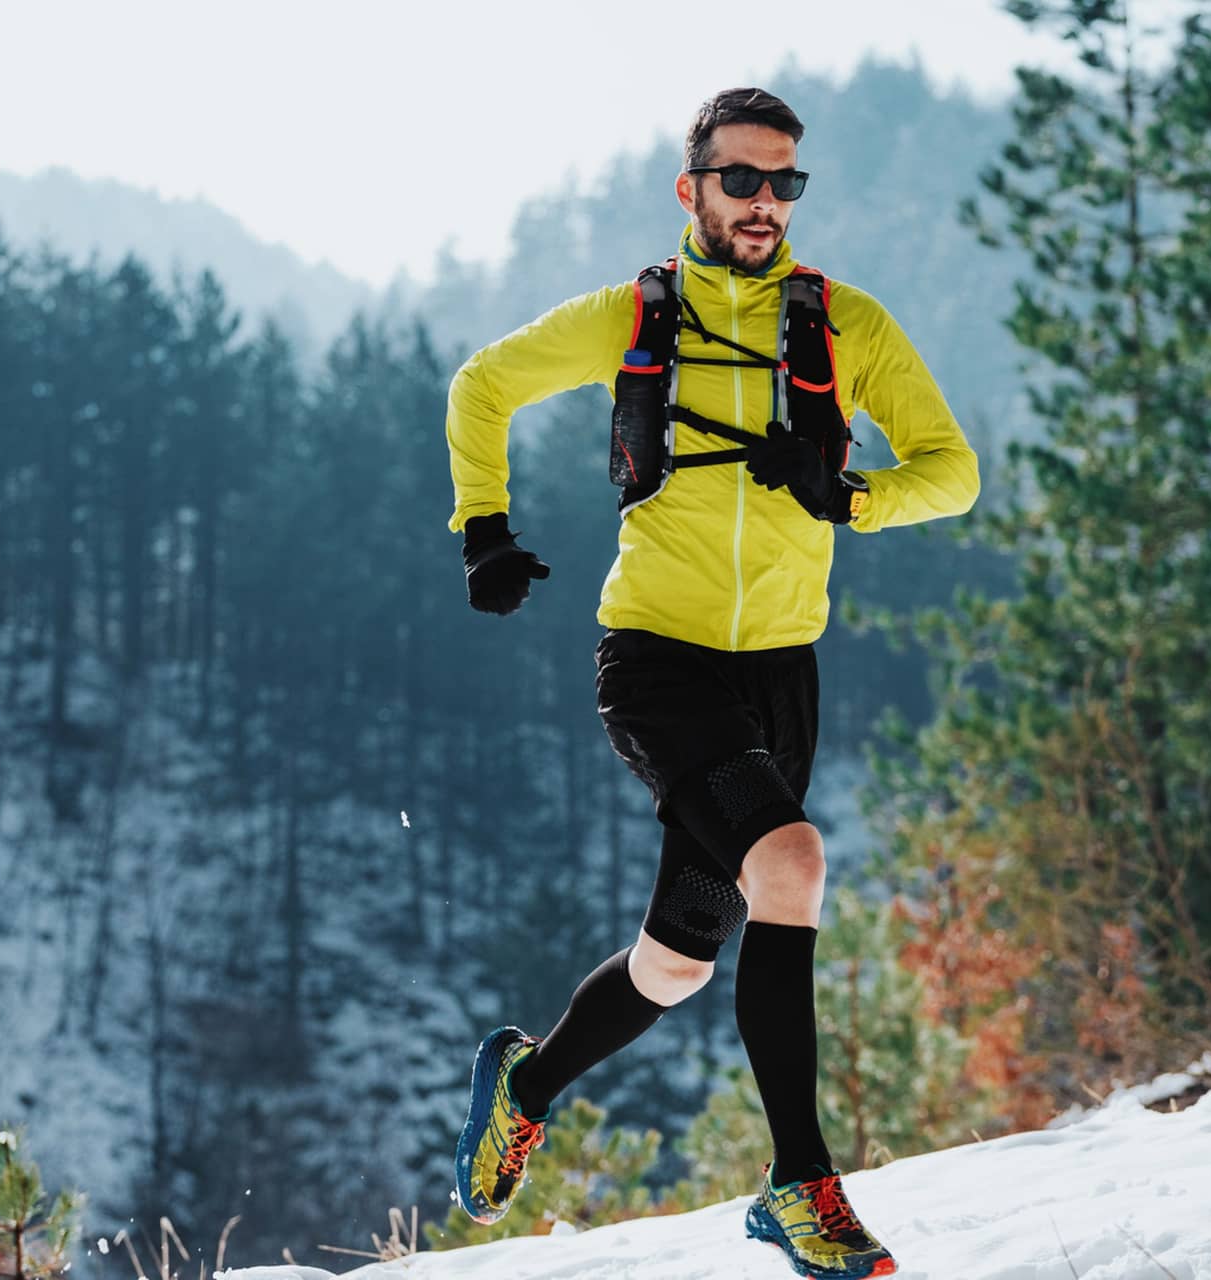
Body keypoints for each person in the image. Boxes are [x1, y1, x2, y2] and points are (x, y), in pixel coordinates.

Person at [443, 86, 978, 1280]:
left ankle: (523, 1085)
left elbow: (953, 472)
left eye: (785, 182)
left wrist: (847, 494)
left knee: (678, 958)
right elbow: (481, 383)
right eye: (741, 179)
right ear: (690, 189)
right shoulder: (634, 314)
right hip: (656, 657)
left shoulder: (844, 324)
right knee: (791, 861)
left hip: (780, 671)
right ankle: (799, 1184)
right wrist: (484, 528)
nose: (764, 202)